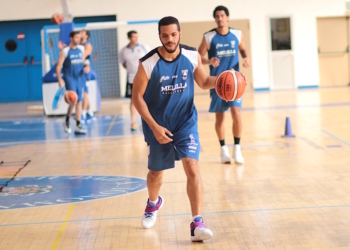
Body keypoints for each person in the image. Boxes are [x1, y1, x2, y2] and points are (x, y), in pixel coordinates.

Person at [132, 16, 219, 241]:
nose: (169, 39)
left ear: (179, 33)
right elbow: (137, 98)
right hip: (158, 124)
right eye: (164, 35)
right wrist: (154, 126)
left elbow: (203, 82)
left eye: (173, 34)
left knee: (192, 167)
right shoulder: (148, 62)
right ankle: (153, 203)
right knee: (155, 174)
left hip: (185, 122)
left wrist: (222, 80)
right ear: (159, 36)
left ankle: (197, 222)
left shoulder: (191, 55)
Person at [198, 5, 250, 164]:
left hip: (235, 83)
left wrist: (246, 58)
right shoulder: (209, 36)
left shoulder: (237, 34)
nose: (220, 19)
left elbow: (243, 49)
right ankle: (223, 150)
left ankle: (237, 149)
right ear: (215, 19)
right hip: (217, 84)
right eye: (217, 16)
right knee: (220, 118)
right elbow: (198, 57)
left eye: (222, 16)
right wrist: (209, 60)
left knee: (237, 114)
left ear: (227, 17)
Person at [56, 31, 89, 134]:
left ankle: (78, 125)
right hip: (70, 78)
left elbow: (82, 61)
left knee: (79, 101)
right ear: (71, 38)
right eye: (76, 37)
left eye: (79, 38)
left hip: (80, 78)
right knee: (73, 101)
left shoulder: (81, 49)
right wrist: (60, 79)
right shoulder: (65, 51)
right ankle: (67, 120)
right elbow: (58, 66)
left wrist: (85, 66)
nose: (78, 39)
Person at [119, 30, 150, 131]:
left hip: (144, 79)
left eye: (137, 36)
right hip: (131, 79)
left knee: (146, 99)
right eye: (133, 37)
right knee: (133, 100)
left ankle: (145, 122)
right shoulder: (123, 51)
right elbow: (124, 64)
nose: (136, 39)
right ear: (129, 38)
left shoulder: (143, 47)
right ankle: (133, 122)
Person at [80, 29, 96, 123]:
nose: (80, 33)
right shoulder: (79, 45)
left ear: (86, 36)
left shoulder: (87, 45)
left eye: (82, 32)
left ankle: (83, 114)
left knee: (84, 93)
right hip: (79, 71)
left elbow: (82, 56)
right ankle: (90, 113)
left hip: (85, 71)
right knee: (83, 93)